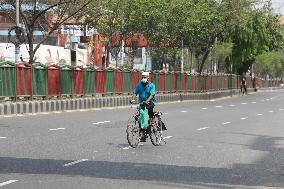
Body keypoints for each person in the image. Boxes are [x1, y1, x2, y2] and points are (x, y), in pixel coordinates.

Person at [132, 71, 157, 142]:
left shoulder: (151, 85)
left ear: (148, 77)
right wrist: (133, 99)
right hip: (142, 103)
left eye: (145, 77)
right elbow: (135, 92)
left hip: (150, 102)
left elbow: (152, 94)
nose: (143, 78)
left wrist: (147, 100)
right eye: (142, 77)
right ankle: (143, 134)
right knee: (141, 116)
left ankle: (152, 120)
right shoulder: (139, 85)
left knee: (149, 111)